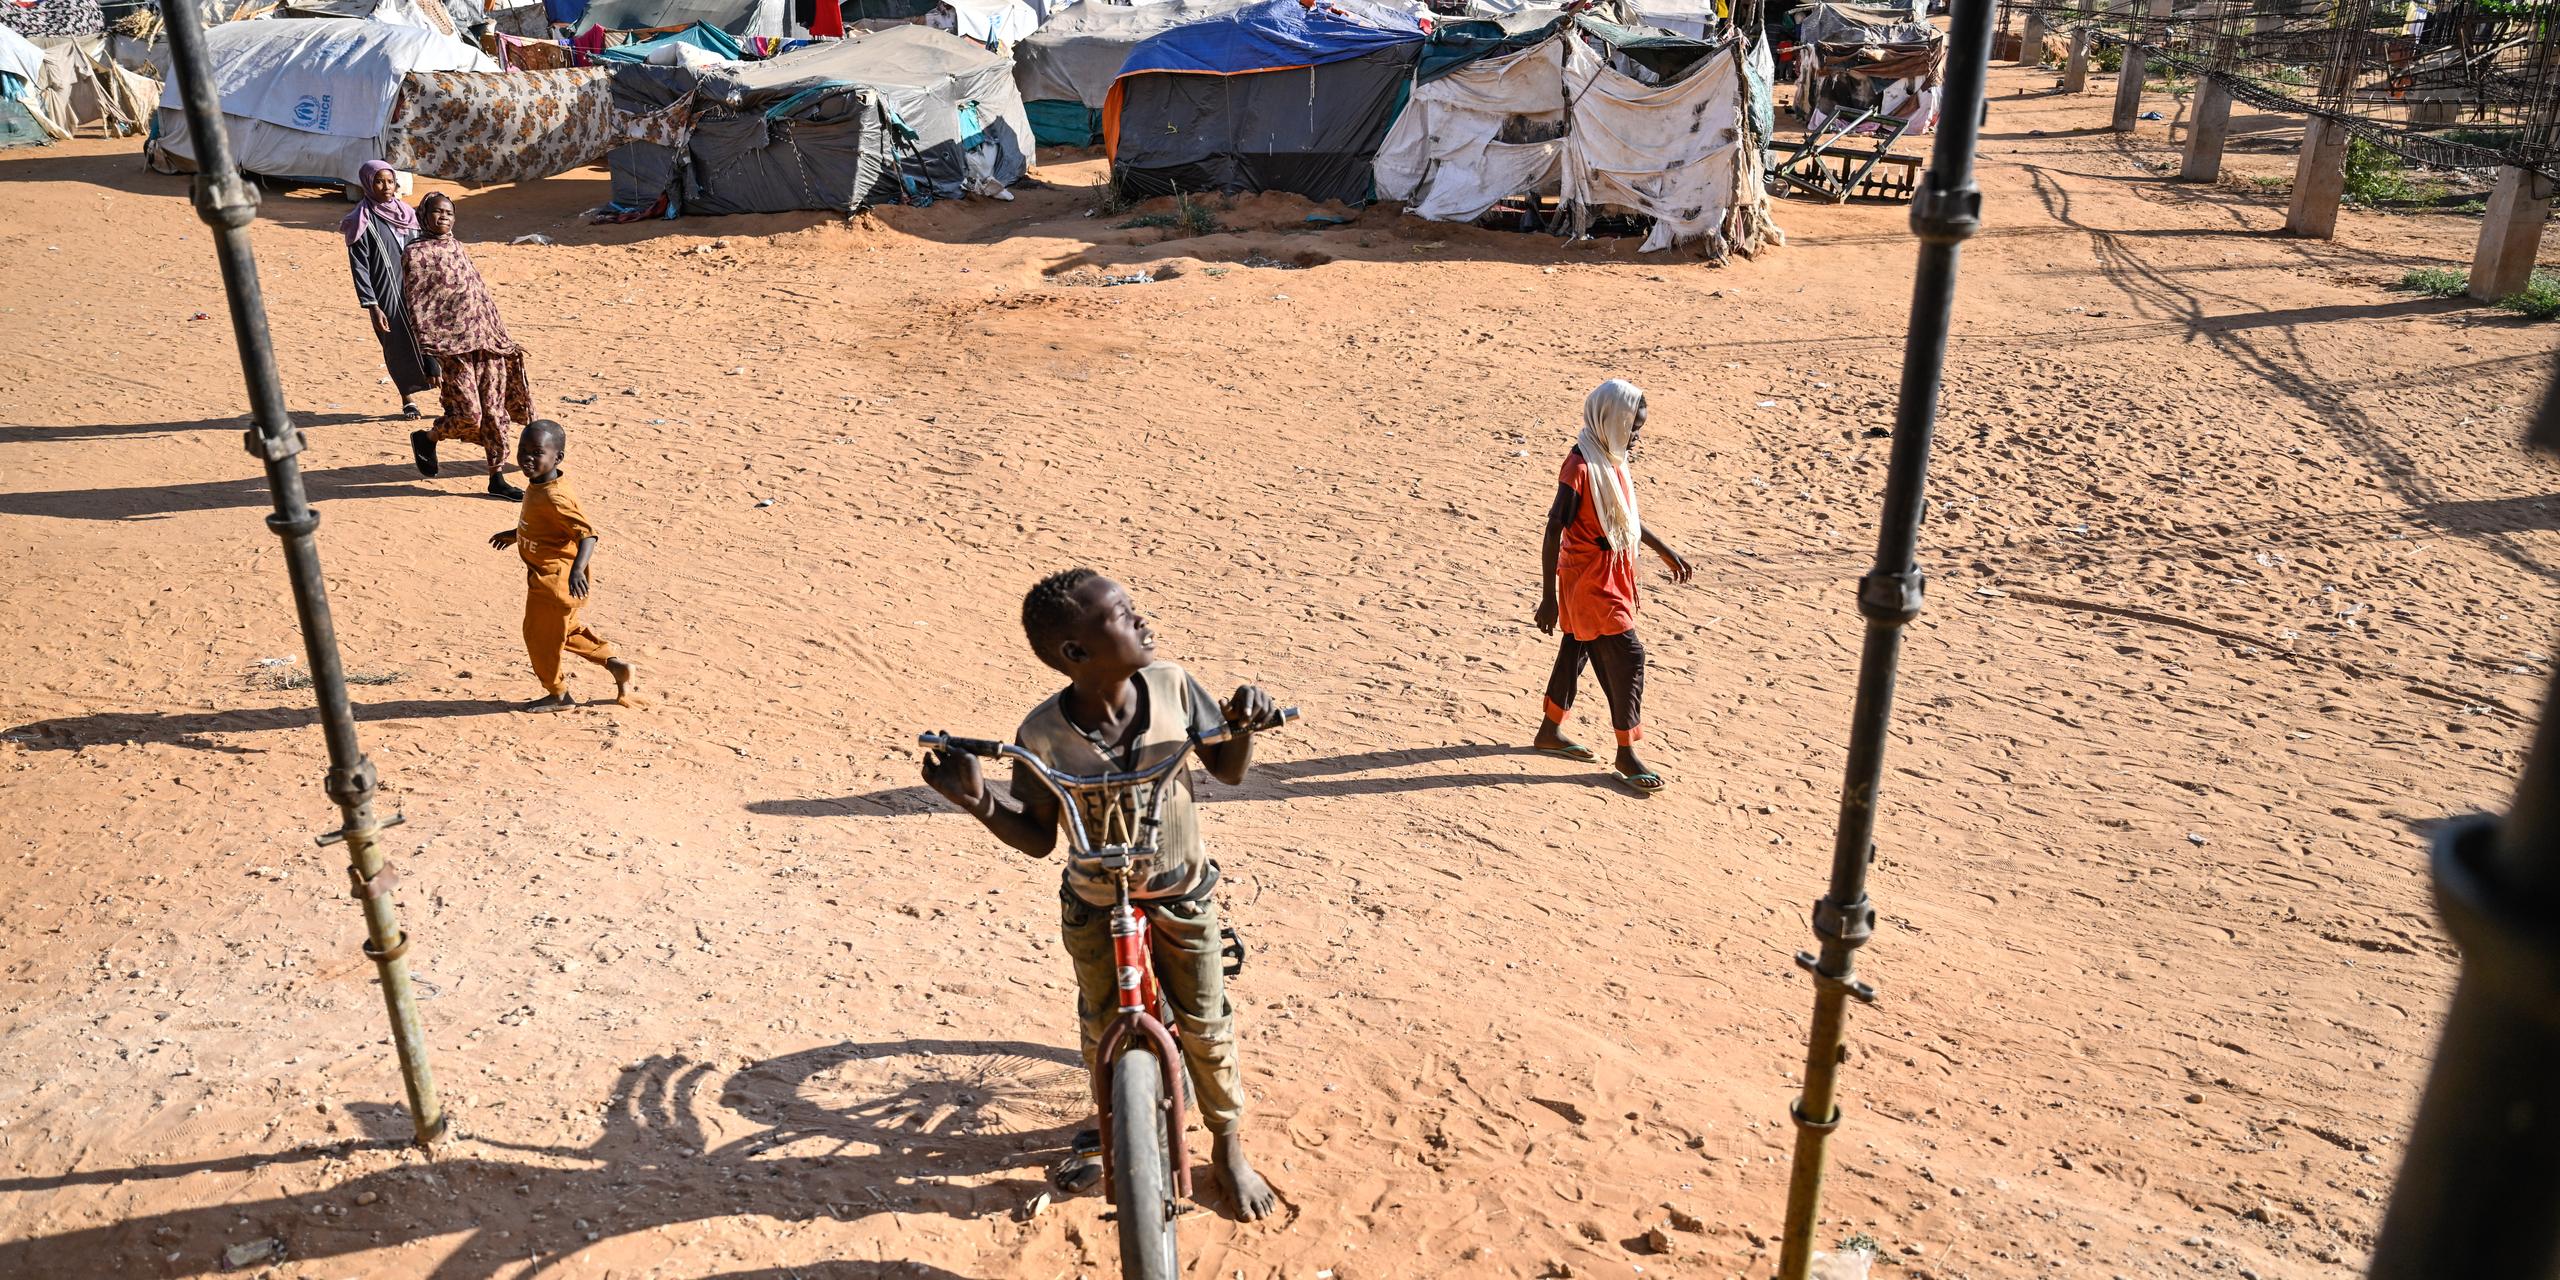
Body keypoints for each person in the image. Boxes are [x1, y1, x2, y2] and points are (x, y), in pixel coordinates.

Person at [918, 569, 1281, 1221]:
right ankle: (1119, 1118)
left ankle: (1228, 1146)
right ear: (1076, 652)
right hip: (1093, 902)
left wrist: (1242, 723)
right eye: (1122, 614)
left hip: (1181, 892)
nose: (1141, 620)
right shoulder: (1042, 735)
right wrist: (977, 802)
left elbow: (1227, 769)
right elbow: (1037, 837)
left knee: (1207, 1023)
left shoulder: (1172, 686)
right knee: (1102, 1026)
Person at [1532, 379, 1693, 795]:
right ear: (1609, 420)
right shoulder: (1580, 467)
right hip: (1589, 579)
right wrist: (1548, 598)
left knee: (1578, 646)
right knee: (1628, 657)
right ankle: (1626, 752)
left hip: (1611, 571)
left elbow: (1625, 518)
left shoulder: (1609, 456)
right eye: (1632, 428)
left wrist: (1665, 550)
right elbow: (1553, 530)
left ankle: (1550, 731)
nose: (1636, 437)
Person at [489, 421, 636, 711]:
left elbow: (588, 535)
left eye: (537, 452)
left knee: (539, 638)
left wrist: (578, 570)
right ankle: (616, 665)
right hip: (551, 579)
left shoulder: (555, 496)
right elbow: (544, 525)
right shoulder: (541, 484)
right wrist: (516, 534)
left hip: (552, 582)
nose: (527, 458)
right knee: (566, 631)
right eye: (523, 450)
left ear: (557, 458)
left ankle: (558, 694)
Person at [403, 192, 532, 501]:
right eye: (437, 212)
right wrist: (428, 354)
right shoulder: (415, 254)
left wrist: (501, 336)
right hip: (450, 347)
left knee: (494, 410)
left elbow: (479, 295)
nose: (444, 217)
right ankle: (428, 437)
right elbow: (417, 305)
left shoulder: (457, 247)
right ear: (424, 215)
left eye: (449, 212)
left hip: (486, 341)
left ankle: (496, 476)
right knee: (469, 413)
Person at [340, 161, 436, 420]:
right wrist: (372, 305)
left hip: (417, 289)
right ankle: (408, 398)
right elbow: (360, 267)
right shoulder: (360, 220)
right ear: (367, 184)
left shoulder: (409, 214)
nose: (385, 187)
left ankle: (447, 394)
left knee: (431, 340)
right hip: (386, 292)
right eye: (379, 181)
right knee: (395, 343)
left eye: (390, 181)